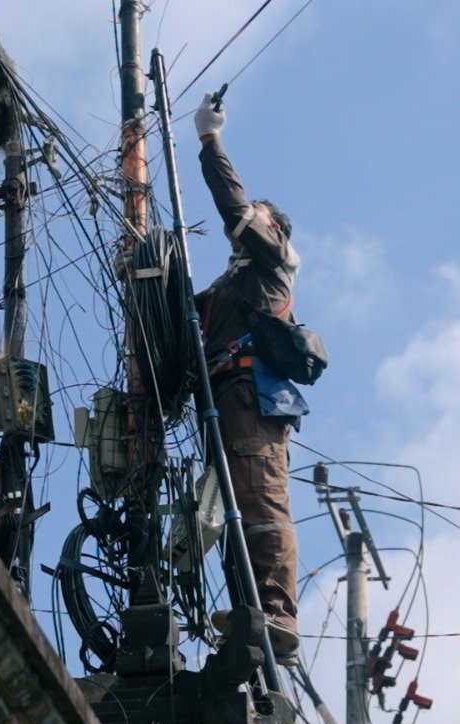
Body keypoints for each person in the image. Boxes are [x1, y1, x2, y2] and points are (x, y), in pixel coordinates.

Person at [193, 92, 308, 664]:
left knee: (260, 504)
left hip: (253, 397)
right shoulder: (221, 291)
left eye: (260, 217)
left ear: (275, 231)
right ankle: (248, 610)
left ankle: (277, 611)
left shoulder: (273, 263)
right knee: (226, 511)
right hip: (220, 400)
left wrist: (210, 142)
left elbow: (233, 206)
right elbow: (173, 319)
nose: (247, 221)